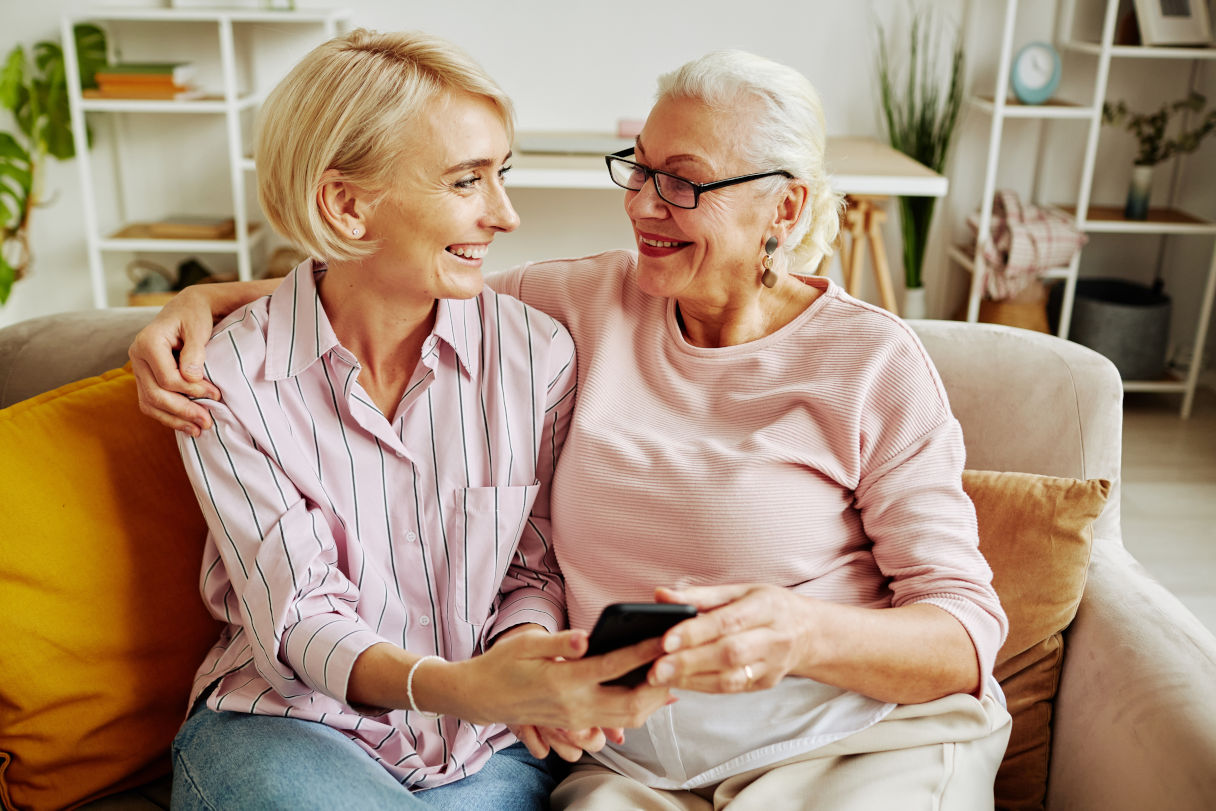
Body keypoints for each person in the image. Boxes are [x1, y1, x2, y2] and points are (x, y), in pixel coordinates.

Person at [132, 46, 1012, 810]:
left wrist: (803, 632)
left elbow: (966, 626)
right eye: (639, 166)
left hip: (838, 743)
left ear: (784, 209)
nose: (642, 205)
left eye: (684, 181)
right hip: (621, 764)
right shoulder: (572, 309)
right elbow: (373, 286)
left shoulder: (870, 362)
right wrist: (209, 302)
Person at [154, 29, 674, 811]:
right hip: (292, 728)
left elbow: (532, 566)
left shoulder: (537, 356)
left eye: (502, 173)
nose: (505, 214)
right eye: (467, 181)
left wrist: (525, 660)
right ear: (346, 205)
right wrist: (456, 685)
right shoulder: (227, 379)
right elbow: (297, 615)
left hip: (482, 747)